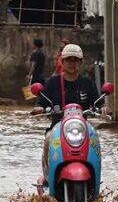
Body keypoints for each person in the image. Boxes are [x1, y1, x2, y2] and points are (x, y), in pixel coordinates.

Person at [31, 43, 100, 178]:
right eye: (68, 60)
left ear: (80, 62)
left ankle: (95, 177)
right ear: (62, 62)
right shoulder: (52, 82)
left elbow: (98, 101)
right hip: (57, 127)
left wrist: (103, 108)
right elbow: (42, 101)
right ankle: (47, 177)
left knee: (95, 141)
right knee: (48, 140)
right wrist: (39, 108)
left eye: (75, 60)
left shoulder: (87, 82)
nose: (72, 63)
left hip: (82, 128)